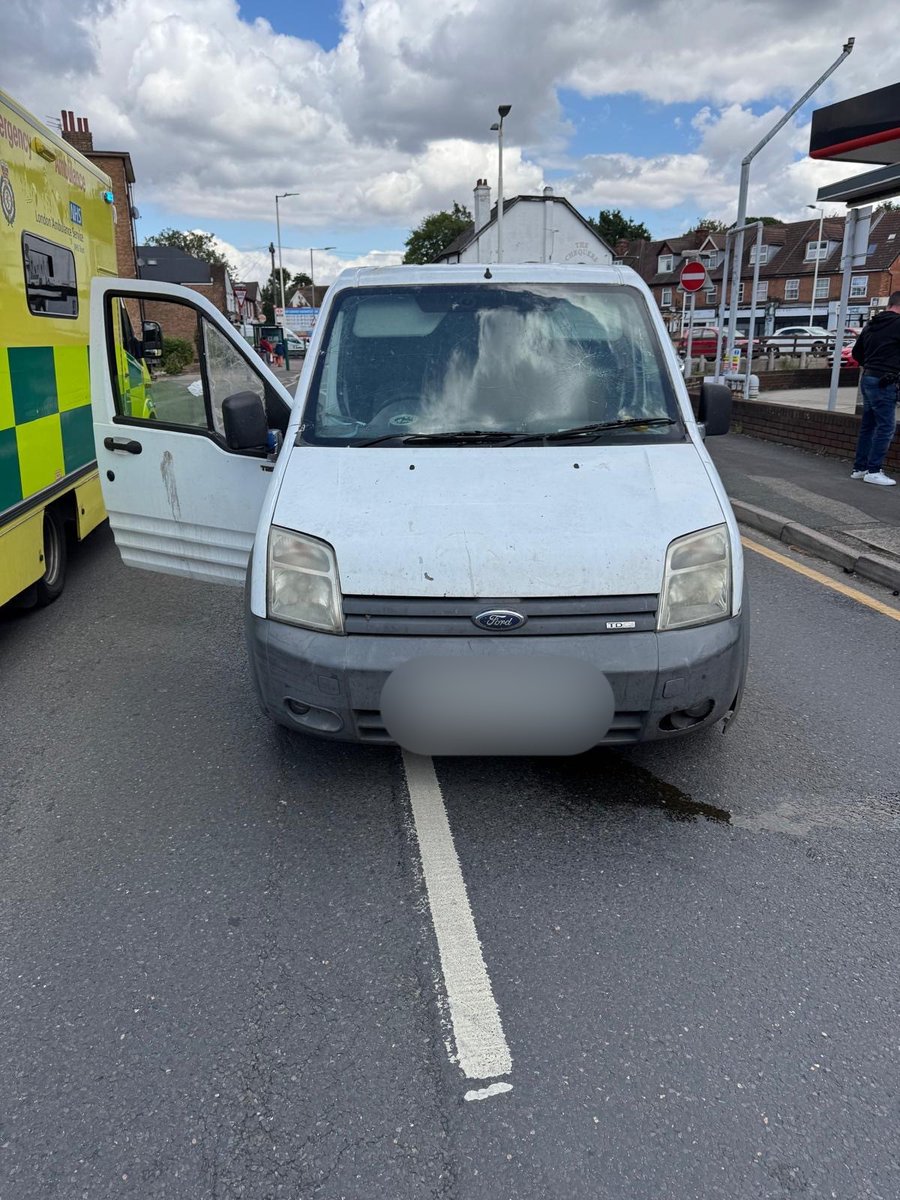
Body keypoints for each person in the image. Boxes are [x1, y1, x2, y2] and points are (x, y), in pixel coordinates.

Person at [851, 291, 900, 486]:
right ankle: (874, 470)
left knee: (868, 425)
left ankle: (860, 468)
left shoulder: (871, 324)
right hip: (885, 381)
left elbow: (856, 353)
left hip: (868, 378)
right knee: (886, 426)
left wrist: (871, 364)